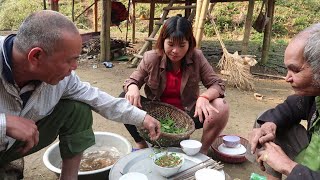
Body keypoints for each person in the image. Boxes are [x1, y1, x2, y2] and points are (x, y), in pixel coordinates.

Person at [0, 10, 161, 180]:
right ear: (36, 56)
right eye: (70, 60)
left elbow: (98, 99)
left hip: (14, 146)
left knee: (77, 109)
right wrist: (4, 123)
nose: (75, 66)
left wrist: (143, 118)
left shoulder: (64, 79)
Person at [122, 16, 229, 154]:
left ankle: (202, 151)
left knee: (221, 106)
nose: (175, 51)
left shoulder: (197, 57)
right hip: (156, 113)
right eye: (171, 44)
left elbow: (217, 84)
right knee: (124, 100)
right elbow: (132, 80)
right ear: (163, 41)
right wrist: (133, 87)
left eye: (182, 45)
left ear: (189, 43)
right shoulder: (151, 57)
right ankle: (142, 145)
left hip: (189, 114)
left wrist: (204, 97)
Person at [248, 23, 320, 180]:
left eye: (295, 70)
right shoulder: (315, 94)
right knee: (265, 122)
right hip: (311, 158)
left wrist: (288, 166)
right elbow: (292, 106)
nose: (287, 78)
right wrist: (269, 124)